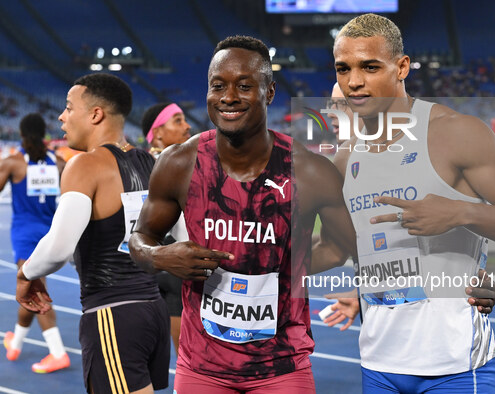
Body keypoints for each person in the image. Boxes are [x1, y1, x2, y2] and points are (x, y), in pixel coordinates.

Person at [319, 13, 495, 392]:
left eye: (369, 67)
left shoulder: (455, 133)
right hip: (377, 363)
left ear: (401, 68)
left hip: (455, 365)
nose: (354, 82)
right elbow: (338, 248)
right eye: (343, 69)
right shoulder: (344, 161)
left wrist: (461, 212)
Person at [128, 35, 359, 393]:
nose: (229, 97)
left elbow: (339, 246)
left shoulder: (310, 172)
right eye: (218, 85)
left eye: (245, 86)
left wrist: (287, 265)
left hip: (281, 365)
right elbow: (139, 240)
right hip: (201, 367)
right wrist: (160, 256)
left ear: (269, 92)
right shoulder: (179, 163)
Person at [15, 73, 170, 394]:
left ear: (96, 114)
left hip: (111, 313)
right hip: (153, 310)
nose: (61, 116)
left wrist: (26, 273)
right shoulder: (151, 163)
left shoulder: (85, 165)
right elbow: (174, 237)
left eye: (69, 108)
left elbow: (58, 248)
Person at [0, 113, 70, 373]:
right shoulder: (60, 163)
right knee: (30, 288)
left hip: (24, 234)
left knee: (35, 291)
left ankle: (58, 353)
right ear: (44, 134)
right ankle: (15, 343)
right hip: (50, 232)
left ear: (21, 134)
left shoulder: (13, 163)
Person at [141, 102, 192, 355]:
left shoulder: (138, 166)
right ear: (157, 132)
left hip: (156, 266)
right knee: (193, 357)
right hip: (181, 266)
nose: (187, 126)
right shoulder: (181, 165)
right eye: (178, 120)